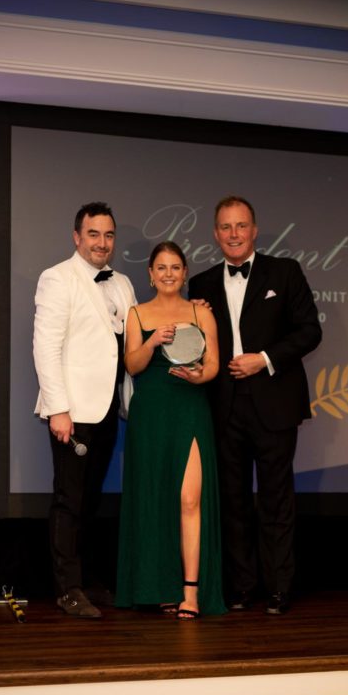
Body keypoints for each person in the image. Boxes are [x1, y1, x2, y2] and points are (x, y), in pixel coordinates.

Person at [188, 196, 322, 616]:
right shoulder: (203, 283)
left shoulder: (284, 271)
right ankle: (241, 587)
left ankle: (279, 587)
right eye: (225, 227)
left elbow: (309, 332)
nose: (233, 234)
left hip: (274, 402)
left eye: (240, 226)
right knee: (232, 502)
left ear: (255, 230)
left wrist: (263, 359)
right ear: (215, 233)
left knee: (276, 500)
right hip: (223, 406)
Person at [33, 201, 137, 618]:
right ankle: (67, 588)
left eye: (109, 235)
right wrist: (58, 409)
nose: (102, 243)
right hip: (72, 412)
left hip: (109, 408)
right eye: (93, 234)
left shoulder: (124, 283)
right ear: (77, 237)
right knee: (69, 499)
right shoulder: (57, 278)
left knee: (91, 500)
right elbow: (46, 347)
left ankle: (87, 580)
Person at [116, 241, 226, 619]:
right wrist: (152, 341)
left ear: (184, 272)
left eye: (175, 267)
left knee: (189, 500)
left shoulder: (201, 312)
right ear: (150, 273)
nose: (168, 274)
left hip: (189, 408)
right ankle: (163, 586)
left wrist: (200, 377)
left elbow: (213, 363)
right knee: (157, 500)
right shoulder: (136, 313)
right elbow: (131, 365)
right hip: (150, 414)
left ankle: (191, 592)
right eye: (161, 267)